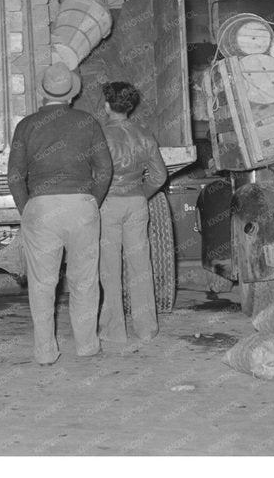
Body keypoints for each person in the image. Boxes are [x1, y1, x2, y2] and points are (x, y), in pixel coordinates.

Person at [7, 64, 113, 365]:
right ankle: (87, 345)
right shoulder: (87, 122)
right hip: (81, 205)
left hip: (41, 208)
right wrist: (93, 199)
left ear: (43, 93)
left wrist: (27, 207)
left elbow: (15, 175)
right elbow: (104, 168)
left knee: (42, 284)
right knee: (85, 280)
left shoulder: (26, 126)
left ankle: (45, 352)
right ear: (72, 92)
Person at [96, 81, 169, 350]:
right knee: (141, 265)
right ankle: (147, 328)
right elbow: (160, 176)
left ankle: (114, 331)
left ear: (107, 106)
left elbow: (95, 175)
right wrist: (141, 193)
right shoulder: (144, 133)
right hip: (137, 203)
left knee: (109, 268)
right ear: (130, 106)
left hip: (109, 204)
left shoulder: (100, 135)